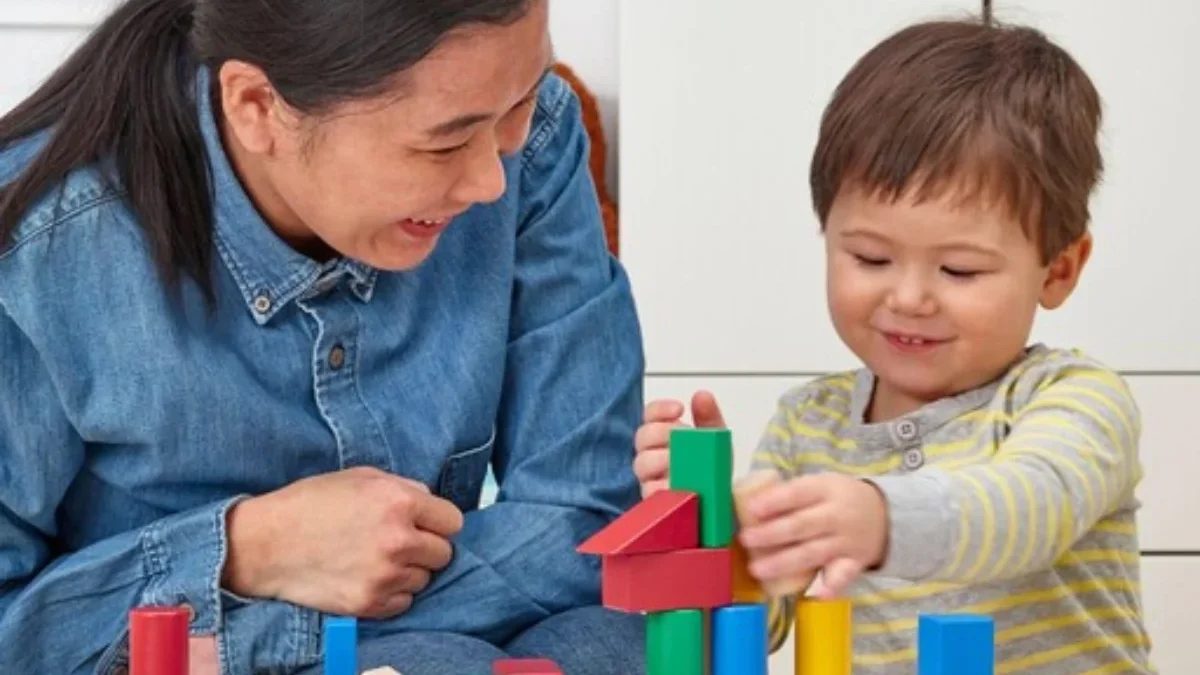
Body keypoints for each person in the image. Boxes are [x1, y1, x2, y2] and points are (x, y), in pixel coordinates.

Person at [0, 0, 646, 673]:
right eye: (445, 143)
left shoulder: (534, 146)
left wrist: (244, 642)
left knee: (614, 645)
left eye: (520, 101)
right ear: (256, 106)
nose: (492, 179)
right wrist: (249, 548)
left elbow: (586, 517)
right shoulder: (40, 250)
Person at [635, 16, 1155, 674]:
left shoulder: (1076, 398)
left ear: (1058, 269)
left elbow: (1031, 506)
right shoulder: (808, 425)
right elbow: (757, 625)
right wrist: (710, 527)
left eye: (959, 270)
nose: (909, 297)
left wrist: (879, 517)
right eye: (871, 257)